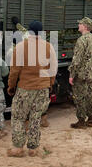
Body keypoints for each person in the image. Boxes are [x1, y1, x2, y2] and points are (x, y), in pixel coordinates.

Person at [7, 21, 57, 157]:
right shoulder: (49, 47)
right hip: (43, 88)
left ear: (29, 32)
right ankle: (33, 148)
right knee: (36, 118)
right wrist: (50, 83)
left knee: (18, 117)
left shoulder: (21, 47)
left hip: (25, 88)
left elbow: (14, 70)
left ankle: (18, 148)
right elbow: (53, 69)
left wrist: (11, 86)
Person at [68, 17, 92, 129]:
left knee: (79, 97)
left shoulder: (81, 40)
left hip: (81, 75)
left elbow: (76, 60)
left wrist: (72, 75)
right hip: (91, 73)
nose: (79, 25)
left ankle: (81, 121)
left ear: (85, 26)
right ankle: (91, 119)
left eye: (80, 24)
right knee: (89, 96)